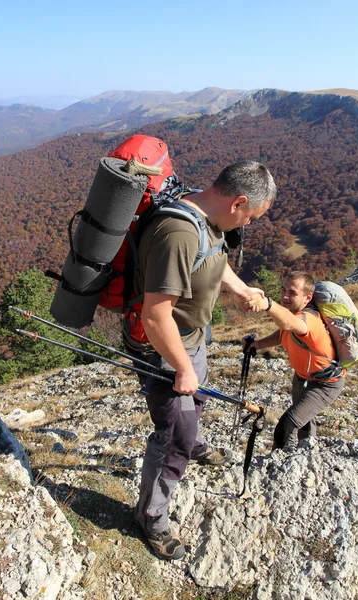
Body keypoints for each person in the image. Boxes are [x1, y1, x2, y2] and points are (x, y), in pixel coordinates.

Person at [126, 160, 277, 560]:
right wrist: (183, 367)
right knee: (173, 434)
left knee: (196, 405)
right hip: (165, 350)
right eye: (252, 216)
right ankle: (150, 516)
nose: (251, 223)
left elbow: (213, 258)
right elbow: (156, 316)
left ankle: (191, 439)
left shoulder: (207, 216)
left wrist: (242, 289)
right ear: (238, 202)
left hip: (192, 340)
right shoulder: (178, 232)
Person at [242, 271, 345, 452]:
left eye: (292, 293)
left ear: (308, 297)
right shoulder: (295, 315)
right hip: (303, 378)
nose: (285, 296)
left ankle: (280, 463)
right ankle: (305, 455)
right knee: (303, 421)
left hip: (325, 384)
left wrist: (268, 304)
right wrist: (257, 345)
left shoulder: (309, 319)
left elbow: (288, 325)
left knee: (287, 424)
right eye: (283, 290)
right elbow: (284, 334)